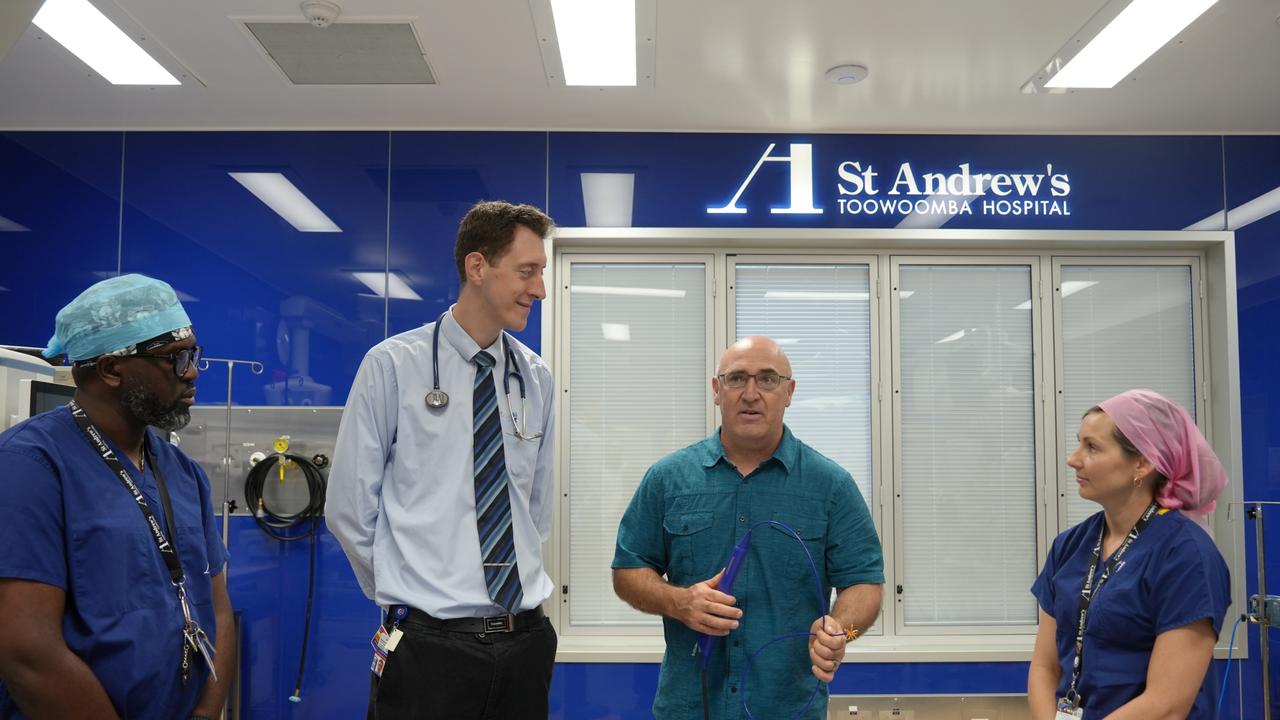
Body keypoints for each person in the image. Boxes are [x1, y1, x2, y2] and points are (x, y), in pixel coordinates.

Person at [327, 200, 558, 720]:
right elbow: (347, 511)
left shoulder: (535, 378)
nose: (540, 289)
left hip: (526, 642)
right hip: (428, 650)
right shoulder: (391, 367)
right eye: (528, 271)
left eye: (541, 273)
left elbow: (535, 510)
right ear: (478, 267)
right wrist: (410, 593)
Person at [612, 336, 884, 720]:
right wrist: (680, 602)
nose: (751, 393)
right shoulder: (668, 479)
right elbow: (627, 572)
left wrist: (843, 630)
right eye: (737, 379)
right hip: (689, 707)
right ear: (716, 390)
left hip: (789, 708)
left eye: (768, 379)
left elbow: (865, 583)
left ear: (789, 392)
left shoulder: (831, 486)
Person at [0, 274, 234, 720]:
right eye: (175, 358)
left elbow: (217, 609)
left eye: (193, 353)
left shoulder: (182, 472)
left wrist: (205, 713)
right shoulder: (29, 466)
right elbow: (27, 650)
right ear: (111, 369)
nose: (192, 371)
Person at [1028, 389, 1231, 719]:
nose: (1073, 458)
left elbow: (1167, 705)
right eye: (1079, 442)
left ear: (1142, 462)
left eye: (1092, 447)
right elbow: (1044, 666)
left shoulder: (1186, 557)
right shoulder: (1069, 546)